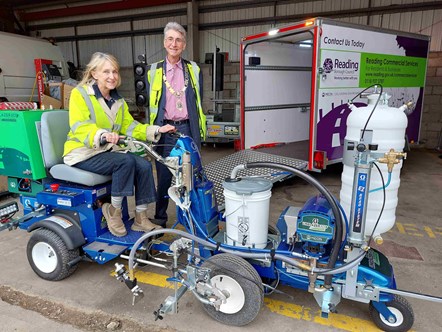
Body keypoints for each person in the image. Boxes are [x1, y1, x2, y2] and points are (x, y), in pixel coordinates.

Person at [63, 52, 175, 237]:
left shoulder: (118, 100)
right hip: (82, 152)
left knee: (144, 164)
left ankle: (141, 217)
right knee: (125, 162)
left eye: (114, 71)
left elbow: (129, 126)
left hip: (105, 151)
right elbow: (80, 126)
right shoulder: (80, 94)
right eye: (106, 71)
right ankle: (113, 212)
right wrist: (103, 135)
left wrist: (156, 130)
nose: (112, 76)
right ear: (94, 74)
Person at [146, 22, 207, 227]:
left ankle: (192, 219)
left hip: (187, 128)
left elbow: (198, 100)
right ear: (164, 43)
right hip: (164, 129)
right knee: (163, 177)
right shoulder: (153, 71)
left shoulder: (194, 69)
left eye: (179, 40)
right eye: (170, 39)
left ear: (184, 45)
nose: (174, 43)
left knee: (190, 175)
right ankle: (161, 218)